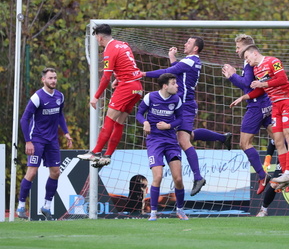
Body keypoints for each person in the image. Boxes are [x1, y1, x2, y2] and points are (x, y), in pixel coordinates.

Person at [223, 34, 289, 195]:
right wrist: (244, 96)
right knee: (279, 139)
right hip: (271, 104)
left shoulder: (265, 62)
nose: (237, 51)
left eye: (238, 48)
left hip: (263, 105)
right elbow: (254, 88)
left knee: (245, 143)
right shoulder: (255, 66)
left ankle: (265, 176)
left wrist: (232, 76)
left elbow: (249, 84)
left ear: (249, 49)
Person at [142, 37, 231, 196]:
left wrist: (143, 73)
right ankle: (223, 138)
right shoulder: (191, 61)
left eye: (188, 43)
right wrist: (172, 58)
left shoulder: (191, 61)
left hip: (185, 106)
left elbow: (167, 74)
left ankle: (198, 177)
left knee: (183, 140)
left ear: (195, 48)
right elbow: (176, 72)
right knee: (188, 135)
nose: (184, 44)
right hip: (185, 105)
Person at [78, 24, 143, 167]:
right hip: (137, 88)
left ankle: (95, 153)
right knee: (119, 122)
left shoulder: (109, 50)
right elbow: (127, 66)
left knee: (109, 120)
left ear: (100, 37)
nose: (97, 41)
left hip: (126, 88)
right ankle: (107, 155)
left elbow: (105, 77)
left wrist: (96, 96)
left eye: (96, 38)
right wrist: (119, 79)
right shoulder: (123, 45)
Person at [16, 68, 73, 220]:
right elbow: (24, 119)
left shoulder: (59, 96)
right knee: (32, 172)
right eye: (50, 78)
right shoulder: (37, 97)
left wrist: (66, 132)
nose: (53, 80)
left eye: (55, 78)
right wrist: (28, 141)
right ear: (43, 80)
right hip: (37, 139)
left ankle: (46, 206)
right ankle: (21, 206)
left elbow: (60, 115)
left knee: (55, 172)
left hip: (52, 140)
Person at [136, 73, 188, 221]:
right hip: (154, 141)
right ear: (165, 86)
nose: (177, 85)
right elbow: (139, 114)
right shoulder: (150, 97)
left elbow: (179, 119)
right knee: (157, 176)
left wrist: (169, 125)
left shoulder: (176, 100)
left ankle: (180, 210)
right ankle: (153, 213)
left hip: (171, 141)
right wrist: (145, 122)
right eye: (173, 83)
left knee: (178, 178)